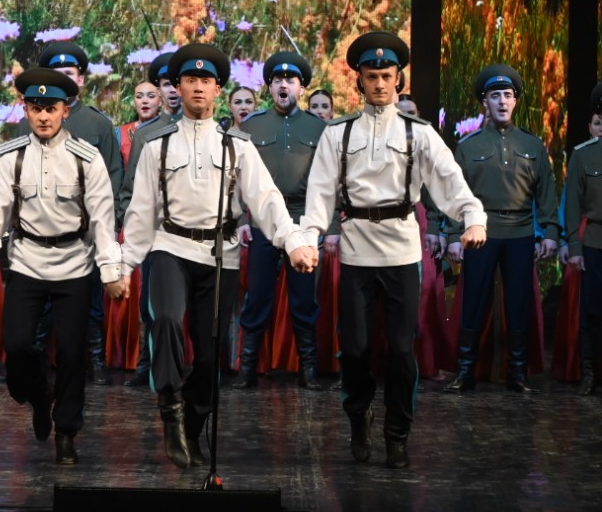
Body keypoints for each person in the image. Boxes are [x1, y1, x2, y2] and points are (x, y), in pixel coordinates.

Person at [120, 44, 316, 470]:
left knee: (211, 354)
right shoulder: (156, 145)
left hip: (219, 253)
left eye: (205, 81)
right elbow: (141, 212)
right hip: (170, 246)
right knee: (166, 320)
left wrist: (293, 241)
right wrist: (122, 266)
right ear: (178, 86)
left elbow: (266, 199)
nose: (197, 88)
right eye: (189, 80)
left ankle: (194, 421)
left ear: (217, 89)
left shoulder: (236, 145)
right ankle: (171, 408)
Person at [299, 32, 487, 468]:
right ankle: (359, 416)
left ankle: (397, 432)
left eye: (387, 76)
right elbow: (320, 194)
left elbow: (449, 179)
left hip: (402, 251)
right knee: (356, 348)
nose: (380, 83)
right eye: (372, 76)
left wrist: (473, 217)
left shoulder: (418, 133)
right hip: (356, 250)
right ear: (360, 81)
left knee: (402, 349)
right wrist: (309, 239)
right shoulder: (338, 133)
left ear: (398, 79)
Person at [0, 69, 126, 465]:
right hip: (27, 262)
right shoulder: (10, 157)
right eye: (36, 108)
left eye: (51, 109)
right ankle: (38, 394)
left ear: (65, 110)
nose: (43, 117)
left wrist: (111, 271)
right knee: (17, 345)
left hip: (75, 263)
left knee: (71, 351)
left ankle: (66, 432)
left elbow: (103, 221)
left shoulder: (86, 159)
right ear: (26, 110)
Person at [441, 65, 561, 394]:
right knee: (474, 301)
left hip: (521, 232)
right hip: (480, 232)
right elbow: (455, 195)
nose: (502, 101)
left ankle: (518, 373)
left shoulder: (533, 145)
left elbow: (547, 194)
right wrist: (453, 235)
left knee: (519, 303)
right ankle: (465, 371)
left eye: (508, 95)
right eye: (495, 96)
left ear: (516, 101)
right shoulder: (468, 146)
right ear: (486, 103)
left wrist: (551, 232)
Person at [235, 52, 330, 389]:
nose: (283, 85)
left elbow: (329, 183)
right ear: (270, 87)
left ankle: (309, 370)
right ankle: (247, 368)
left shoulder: (319, 128)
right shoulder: (252, 125)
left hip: (303, 221)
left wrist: (326, 227)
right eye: (277, 80)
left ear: (301, 88)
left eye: (290, 80)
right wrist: (240, 218)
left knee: (304, 298)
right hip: (264, 222)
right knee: (258, 295)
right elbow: (236, 178)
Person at [36, 41, 123, 384]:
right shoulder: (34, 120)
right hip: (43, 228)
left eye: (69, 73)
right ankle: (39, 362)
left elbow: (114, 175)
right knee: (43, 299)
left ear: (81, 80)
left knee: (90, 300)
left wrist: (107, 223)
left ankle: (95, 362)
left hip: (87, 230)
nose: (63, 78)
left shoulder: (98, 124)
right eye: (57, 73)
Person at [118, 52, 185, 389]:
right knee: (150, 302)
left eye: (176, 83)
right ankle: (146, 364)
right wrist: (129, 226)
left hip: (192, 233)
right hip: (155, 233)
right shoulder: (146, 135)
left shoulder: (202, 129)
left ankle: (184, 365)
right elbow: (129, 189)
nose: (172, 90)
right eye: (165, 84)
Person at [562, 83, 602, 395]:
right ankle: (590, 373)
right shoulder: (584, 155)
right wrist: (574, 246)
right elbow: (573, 206)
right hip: (594, 242)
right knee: (592, 310)